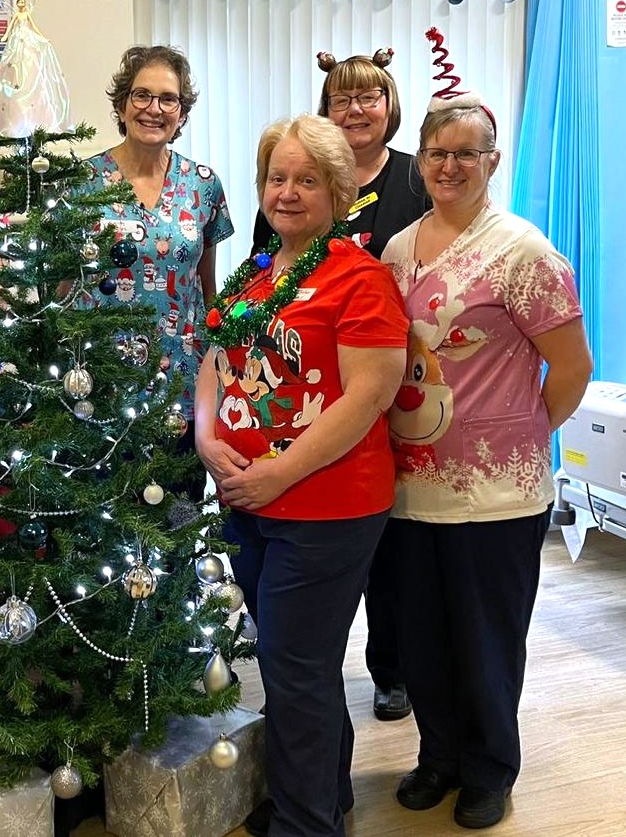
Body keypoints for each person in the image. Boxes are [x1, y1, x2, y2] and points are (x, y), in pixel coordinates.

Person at [381, 91, 592, 829]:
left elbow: (570, 366)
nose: (449, 166)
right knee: (422, 637)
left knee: (485, 639)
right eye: (437, 152)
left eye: (465, 153)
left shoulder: (522, 253)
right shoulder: (399, 249)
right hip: (410, 487)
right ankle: (436, 756)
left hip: (497, 494)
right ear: (421, 161)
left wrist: (523, 433)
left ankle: (488, 769)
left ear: (490, 162)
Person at [196, 114, 408, 837]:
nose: (286, 192)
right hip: (248, 502)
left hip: (325, 508)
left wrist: (276, 473)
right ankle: (323, 799)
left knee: (294, 668)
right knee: (295, 668)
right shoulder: (259, 274)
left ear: (340, 192)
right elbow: (213, 363)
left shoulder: (361, 278)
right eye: (275, 178)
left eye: (305, 180)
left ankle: (305, 822)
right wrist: (205, 438)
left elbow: (367, 395)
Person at [254, 49, 429, 723]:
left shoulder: (417, 179)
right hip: (303, 403)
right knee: (302, 637)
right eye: (342, 99)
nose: (356, 110)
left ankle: (392, 671)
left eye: (369, 97)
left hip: (389, 390)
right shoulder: (288, 194)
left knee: (388, 564)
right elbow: (256, 285)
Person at [83, 45, 233, 500]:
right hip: (101, 386)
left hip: (182, 388)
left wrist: (218, 375)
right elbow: (66, 287)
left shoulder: (203, 184)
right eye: (141, 95)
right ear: (122, 104)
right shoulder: (83, 182)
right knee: (103, 529)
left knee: (178, 519)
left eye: (168, 99)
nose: (154, 108)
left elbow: (205, 288)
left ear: (182, 111)